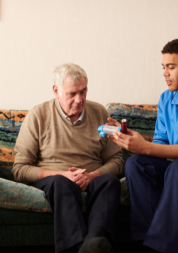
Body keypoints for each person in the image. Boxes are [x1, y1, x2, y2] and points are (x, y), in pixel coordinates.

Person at [12, 63, 124, 253]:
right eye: (72, 94)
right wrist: (62, 174)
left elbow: (117, 160)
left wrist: (92, 176)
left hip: (92, 177)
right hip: (54, 180)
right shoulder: (38, 115)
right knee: (61, 183)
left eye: (83, 91)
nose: (79, 100)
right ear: (56, 91)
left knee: (110, 182)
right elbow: (20, 169)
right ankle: (80, 247)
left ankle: (96, 239)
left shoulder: (99, 112)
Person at [107, 39, 178, 253]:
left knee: (176, 167)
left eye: (172, 67)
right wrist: (135, 139)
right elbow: (161, 144)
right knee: (136, 163)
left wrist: (145, 147)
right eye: (163, 67)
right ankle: (145, 239)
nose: (165, 73)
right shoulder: (166, 99)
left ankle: (159, 247)